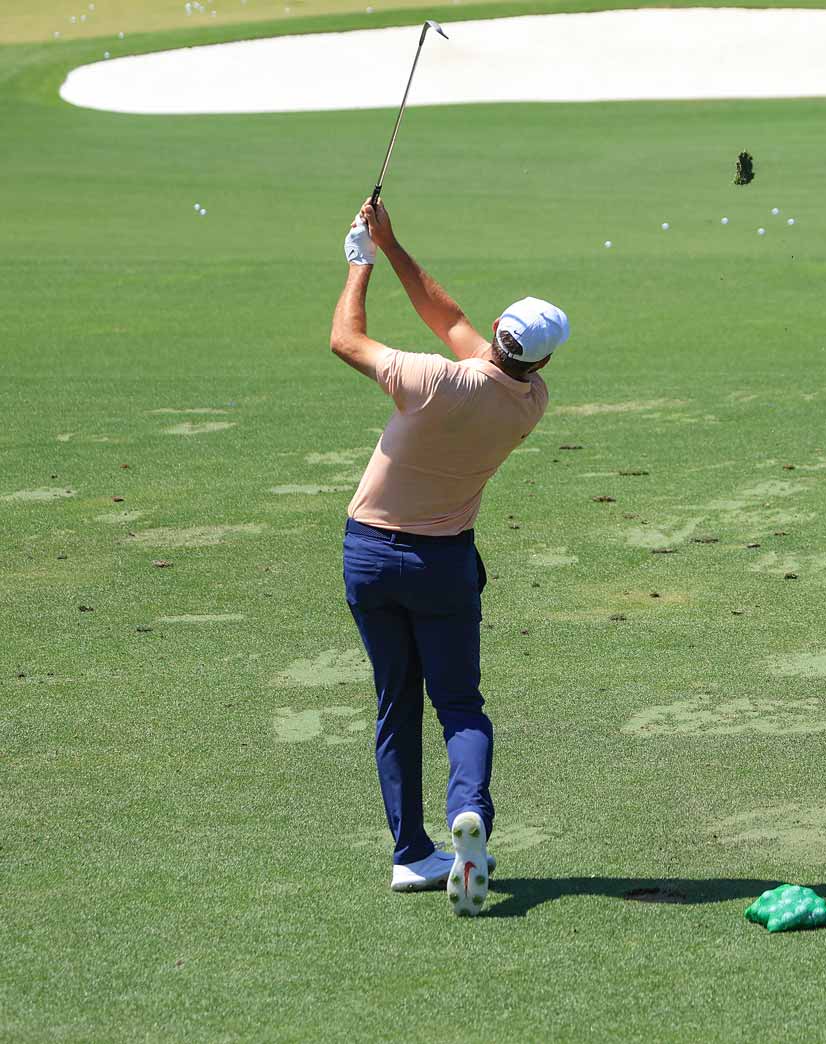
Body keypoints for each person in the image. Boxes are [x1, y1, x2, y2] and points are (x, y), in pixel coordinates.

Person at [330, 199, 570, 912]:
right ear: (542, 357)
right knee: (460, 706)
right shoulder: (529, 401)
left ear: (497, 332)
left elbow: (346, 339)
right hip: (443, 567)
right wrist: (394, 245)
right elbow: (448, 319)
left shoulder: (432, 380)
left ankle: (410, 854)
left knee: (394, 704)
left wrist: (359, 261)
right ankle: (470, 820)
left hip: (369, 555)